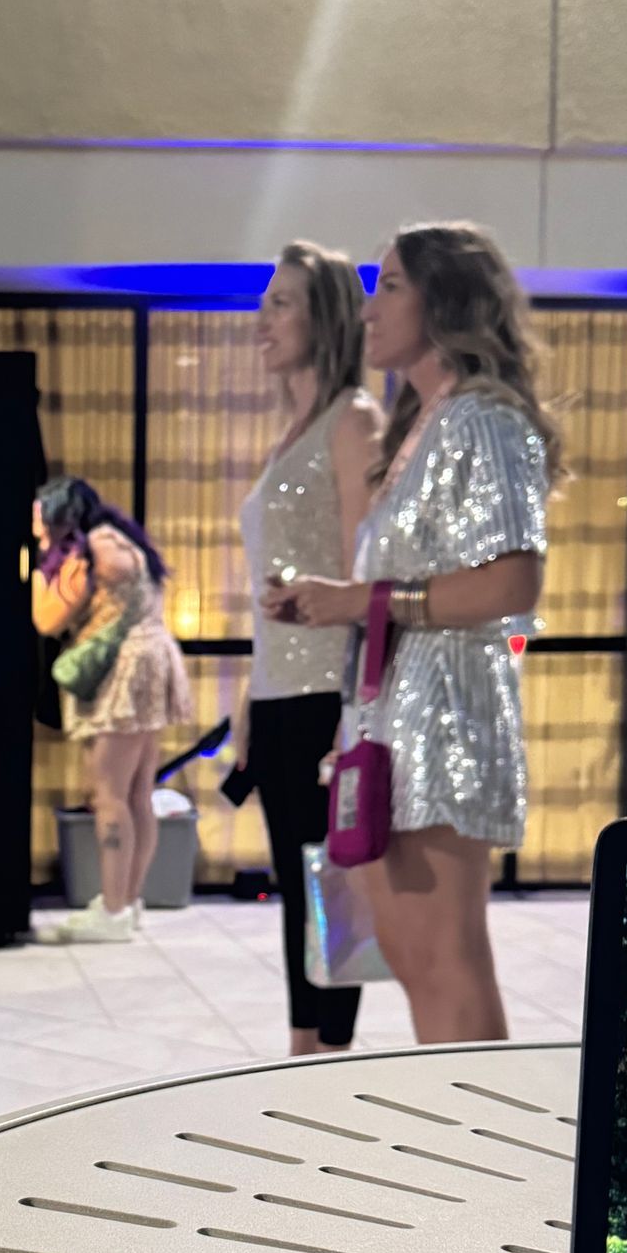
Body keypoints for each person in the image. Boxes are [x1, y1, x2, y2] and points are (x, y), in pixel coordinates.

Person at [262, 222, 556, 1044]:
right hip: (394, 718)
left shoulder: (481, 419)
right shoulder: (420, 425)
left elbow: (512, 581)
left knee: (444, 956)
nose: (369, 304)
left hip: (447, 716)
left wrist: (361, 602)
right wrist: (340, 603)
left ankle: (483, 1151)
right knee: (406, 949)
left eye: (391, 284)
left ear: (447, 300)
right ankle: (463, 1137)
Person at [236, 244, 382, 1054]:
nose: (264, 318)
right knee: (298, 891)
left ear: (324, 317)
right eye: (265, 301)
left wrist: (358, 709)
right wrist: (246, 698)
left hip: (329, 693)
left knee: (333, 892)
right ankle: (304, 1056)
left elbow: (370, 570)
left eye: (283, 302)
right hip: (277, 692)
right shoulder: (286, 433)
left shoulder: (353, 419)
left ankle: (325, 1064)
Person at [32, 475, 191, 945]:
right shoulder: (119, 539)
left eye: (42, 521)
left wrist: (40, 569)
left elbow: (47, 618)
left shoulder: (93, 550)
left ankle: (114, 908)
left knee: (108, 794)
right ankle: (127, 901)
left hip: (123, 672)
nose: (36, 530)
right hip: (150, 661)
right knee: (138, 791)